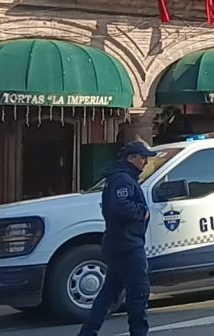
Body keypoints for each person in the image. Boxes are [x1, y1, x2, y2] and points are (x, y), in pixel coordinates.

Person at [78, 140, 156, 336]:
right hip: (128, 245)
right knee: (138, 293)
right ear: (131, 158)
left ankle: (88, 332)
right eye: (142, 158)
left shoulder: (122, 177)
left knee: (109, 293)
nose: (145, 162)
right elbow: (119, 207)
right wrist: (143, 212)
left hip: (119, 244)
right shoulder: (122, 179)